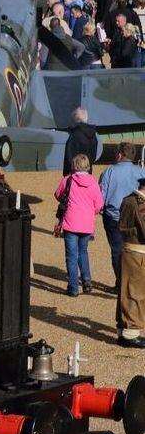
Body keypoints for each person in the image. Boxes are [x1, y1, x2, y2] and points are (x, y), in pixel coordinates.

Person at [55, 154, 105, 297]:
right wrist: (91, 212)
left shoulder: (68, 180)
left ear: (74, 165)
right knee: (83, 252)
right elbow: (99, 204)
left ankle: (73, 287)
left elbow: (58, 195)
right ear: (87, 166)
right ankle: (87, 281)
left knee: (71, 256)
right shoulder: (93, 182)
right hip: (87, 223)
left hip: (71, 222)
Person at [98, 142, 145, 290]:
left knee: (117, 250)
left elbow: (101, 196)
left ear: (119, 155)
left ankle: (121, 283)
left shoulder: (108, 172)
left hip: (114, 216)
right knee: (137, 249)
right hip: (137, 216)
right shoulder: (141, 173)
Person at [117, 177, 145, 348]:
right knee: (135, 292)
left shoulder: (128, 200)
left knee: (125, 290)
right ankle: (131, 333)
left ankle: (123, 329)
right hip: (137, 252)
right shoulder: (140, 205)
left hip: (129, 250)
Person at [63, 106, 98, 175]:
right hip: (87, 171)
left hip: (74, 173)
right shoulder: (93, 134)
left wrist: (66, 173)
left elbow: (69, 156)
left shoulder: (74, 135)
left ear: (75, 119)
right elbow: (93, 156)